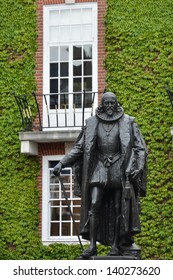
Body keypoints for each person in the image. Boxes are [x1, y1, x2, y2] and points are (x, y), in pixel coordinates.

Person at [53, 92, 147, 258]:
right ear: (102, 105)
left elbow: (140, 148)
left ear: (116, 104)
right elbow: (79, 148)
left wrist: (136, 167)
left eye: (112, 103)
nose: (109, 106)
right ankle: (92, 245)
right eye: (107, 103)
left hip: (120, 168)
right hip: (99, 168)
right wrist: (61, 163)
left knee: (120, 207)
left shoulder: (128, 122)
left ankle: (116, 245)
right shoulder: (91, 123)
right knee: (94, 204)